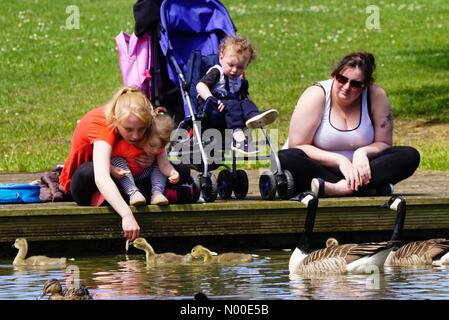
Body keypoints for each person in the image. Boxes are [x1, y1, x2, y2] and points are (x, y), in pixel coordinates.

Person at [278, 51, 420, 198]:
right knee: (287, 159)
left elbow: (384, 142)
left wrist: (362, 152)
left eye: (355, 84)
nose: (346, 87)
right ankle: (368, 189)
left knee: (409, 155)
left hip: (363, 170)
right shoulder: (316, 94)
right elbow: (298, 145)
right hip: (321, 168)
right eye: (341, 79)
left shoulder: (376, 95)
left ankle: (338, 189)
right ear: (334, 75)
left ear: (365, 86)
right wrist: (340, 161)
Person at [59, 87, 189, 240]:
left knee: (182, 170)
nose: (135, 135)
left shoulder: (140, 121)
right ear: (115, 120)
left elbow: (158, 149)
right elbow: (101, 177)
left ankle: (154, 193)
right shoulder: (103, 126)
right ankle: (171, 193)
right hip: (88, 182)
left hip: (127, 175)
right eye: (128, 129)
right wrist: (127, 215)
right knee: (89, 171)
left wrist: (153, 159)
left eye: (141, 130)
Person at [196, 35, 278, 155]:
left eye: (240, 67)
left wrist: (247, 105)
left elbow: (244, 97)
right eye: (231, 65)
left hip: (230, 108)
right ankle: (239, 139)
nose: (234, 70)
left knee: (246, 102)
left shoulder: (240, 80)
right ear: (221, 58)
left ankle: (253, 117)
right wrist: (211, 99)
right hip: (212, 108)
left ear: (246, 66)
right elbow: (200, 86)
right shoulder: (217, 72)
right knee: (234, 104)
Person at [110, 107, 179, 206]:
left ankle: (157, 193)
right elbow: (107, 160)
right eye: (152, 145)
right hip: (124, 177)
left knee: (159, 165)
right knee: (117, 160)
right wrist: (112, 169)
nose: (155, 150)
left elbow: (164, 165)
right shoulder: (125, 145)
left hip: (143, 174)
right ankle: (133, 193)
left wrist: (172, 172)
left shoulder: (158, 148)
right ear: (144, 136)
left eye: (161, 147)